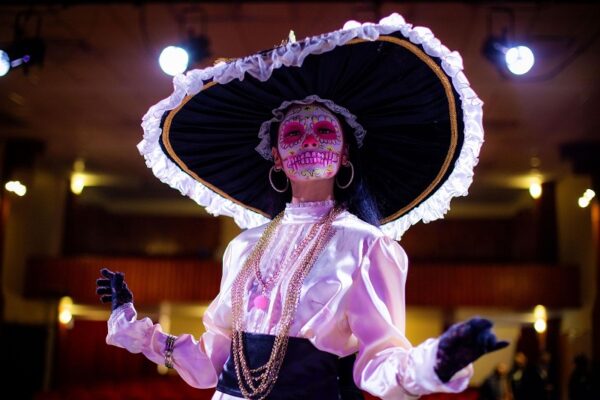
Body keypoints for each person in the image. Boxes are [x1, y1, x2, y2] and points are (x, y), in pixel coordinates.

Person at [96, 13, 507, 400]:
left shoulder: (366, 245)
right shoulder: (243, 247)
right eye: (293, 133)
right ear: (275, 156)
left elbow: (379, 361)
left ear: (345, 153)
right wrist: (133, 326)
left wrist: (434, 363)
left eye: (324, 129)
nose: (309, 140)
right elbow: (208, 367)